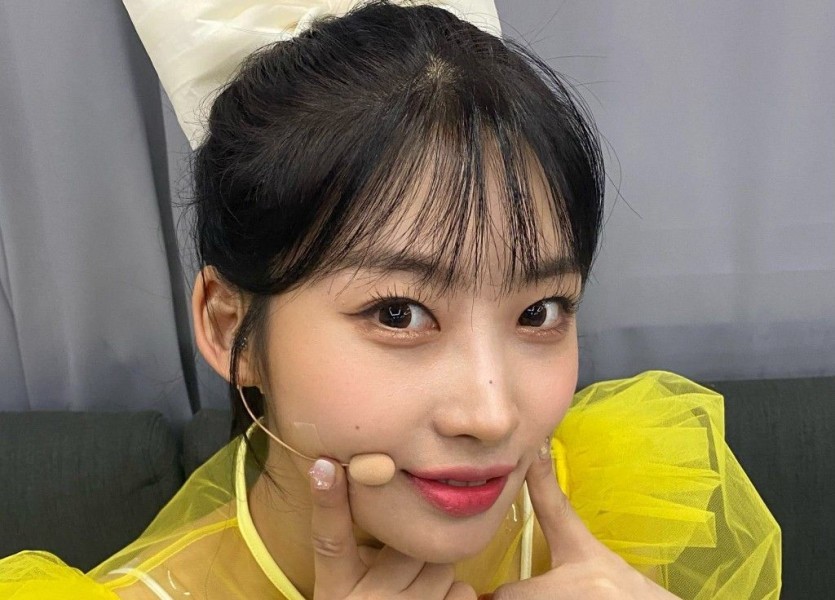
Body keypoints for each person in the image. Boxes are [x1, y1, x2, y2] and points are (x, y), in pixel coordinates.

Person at [0, 1, 780, 598]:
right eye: (397, 313)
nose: (491, 416)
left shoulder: (614, 525)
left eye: (539, 311)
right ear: (229, 327)